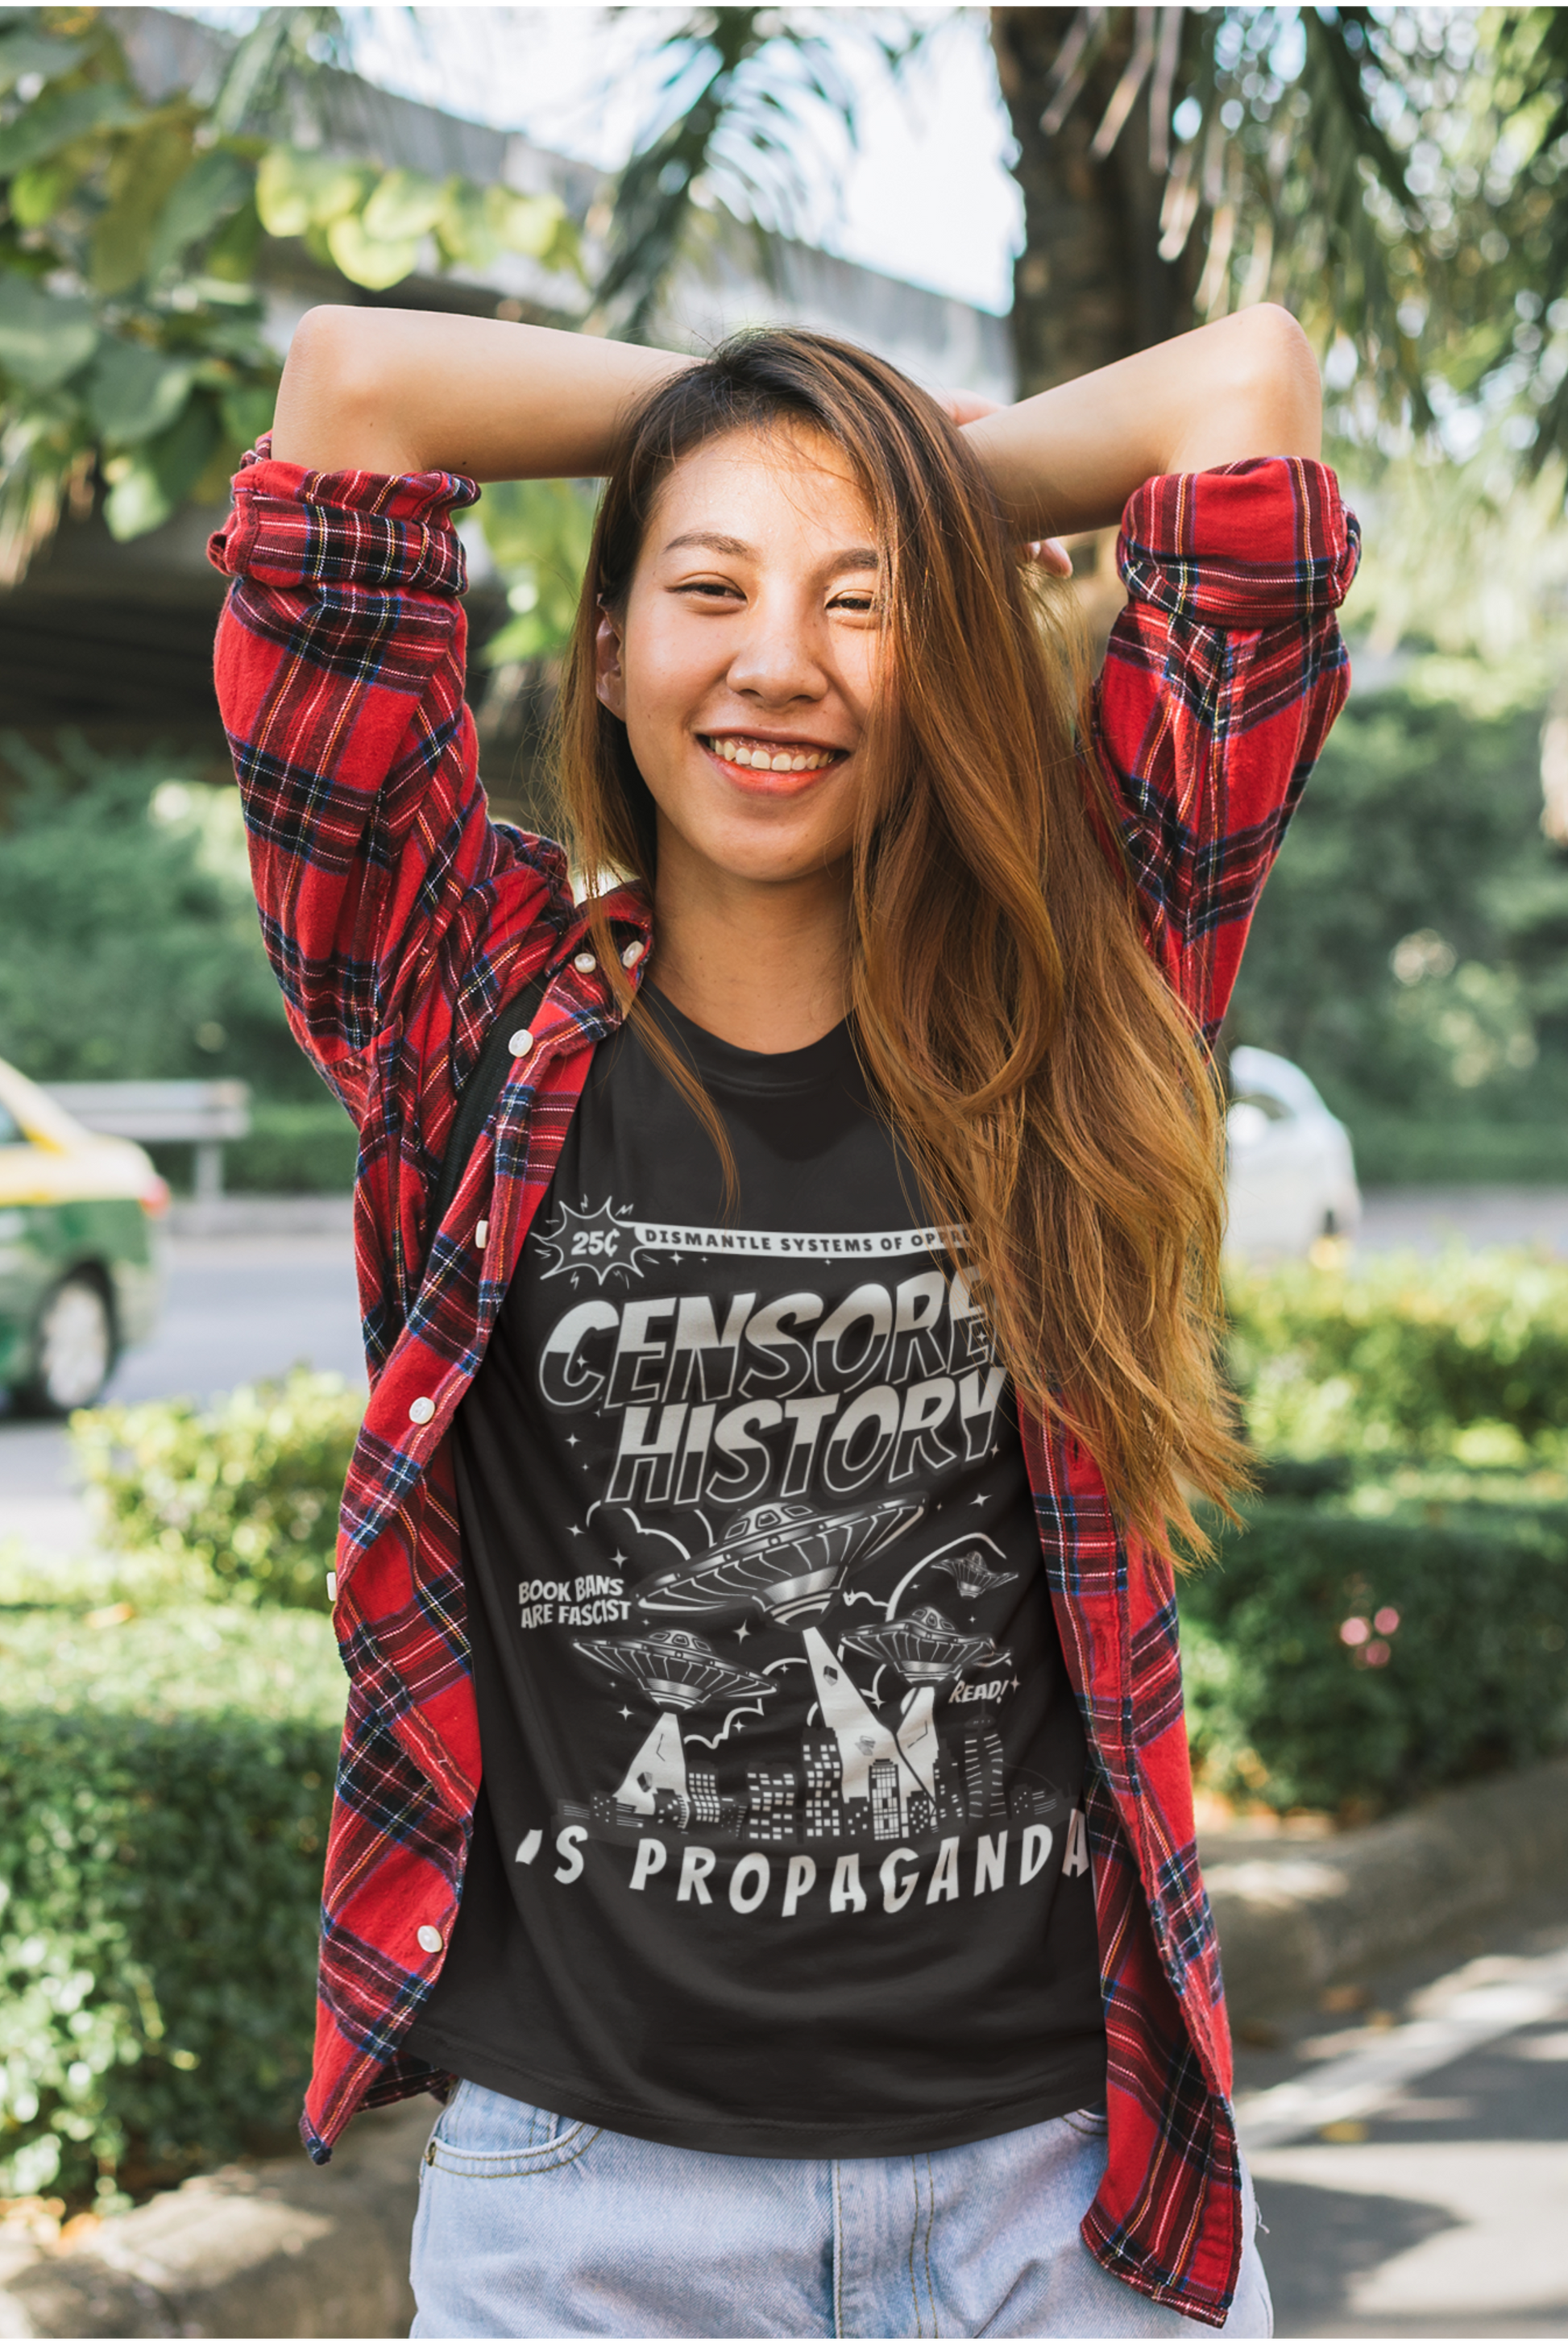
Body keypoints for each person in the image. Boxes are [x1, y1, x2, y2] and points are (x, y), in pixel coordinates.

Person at [210, 299, 1356, 2341]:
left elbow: (1245, 390)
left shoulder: (1082, 985)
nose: (777, 661)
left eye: (862, 601)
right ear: (606, 651)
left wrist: (877, 463)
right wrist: (775, 419)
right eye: (710, 588)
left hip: (1060, 2203)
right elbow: (351, 396)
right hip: (592, 2215)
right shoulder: (463, 1005)